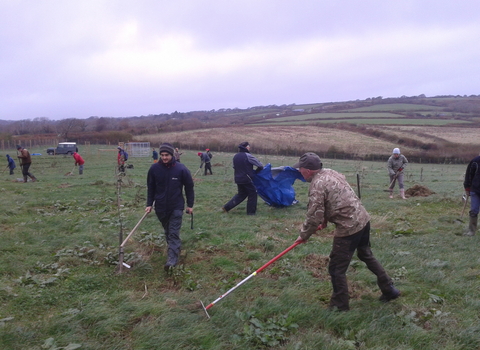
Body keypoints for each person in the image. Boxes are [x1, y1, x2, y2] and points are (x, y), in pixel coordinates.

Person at [293, 152, 400, 311]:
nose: (299, 173)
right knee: (365, 254)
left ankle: (340, 306)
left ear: (307, 170)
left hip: (349, 227)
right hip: (363, 218)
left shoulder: (317, 185)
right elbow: (335, 199)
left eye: (300, 170)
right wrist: (325, 220)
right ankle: (390, 289)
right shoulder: (331, 172)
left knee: (336, 268)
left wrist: (303, 236)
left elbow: (313, 216)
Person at [146, 142, 194, 271]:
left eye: (166, 155)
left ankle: (172, 260)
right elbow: (151, 188)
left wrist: (190, 205)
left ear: (172, 155)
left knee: (173, 232)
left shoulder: (181, 169)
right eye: (162, 155)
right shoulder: (154, 169)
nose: (164, 157)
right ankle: (175, 249)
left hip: (176, 206)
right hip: (160, 207)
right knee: (168, 231)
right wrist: (149, 204)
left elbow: (189, 187)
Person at [222, 142, 264, 215]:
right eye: (249, 147)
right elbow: (260, 165)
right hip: (247, 178)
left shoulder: (235, 156)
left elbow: (234, 167)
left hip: (237, 178)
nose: (249, 148)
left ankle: (226, 207)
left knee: (241, 194)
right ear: (246, 147)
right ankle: (251, 213)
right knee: (253, 193)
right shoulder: (248, 156)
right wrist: (256, 172)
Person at [463, 153, 480, 236]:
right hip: (475, 190)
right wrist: (467, 187)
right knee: (474, 211)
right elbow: (469, 175)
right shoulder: (475, 161)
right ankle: (471, 231)